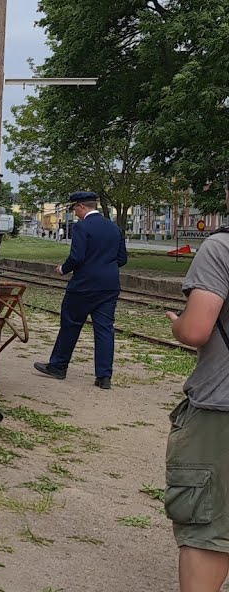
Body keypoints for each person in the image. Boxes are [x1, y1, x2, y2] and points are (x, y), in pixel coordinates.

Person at [164, 226, 229, 592]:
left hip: (221, 412)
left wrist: (179, 326)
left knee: (209, 531)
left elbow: (196, 331)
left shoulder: (221, 247)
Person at [34, 191, 129, 389]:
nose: (75, 213)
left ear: (81, 206)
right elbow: (122, 259)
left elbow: (76, 257)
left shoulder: (82, 227)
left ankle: (58, 365)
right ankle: (104, 377)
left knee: (71, 324)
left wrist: (62, 269)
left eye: (75, 209)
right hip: (109, 286)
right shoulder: (114, 228)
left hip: (83, 286)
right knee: (104, 329)